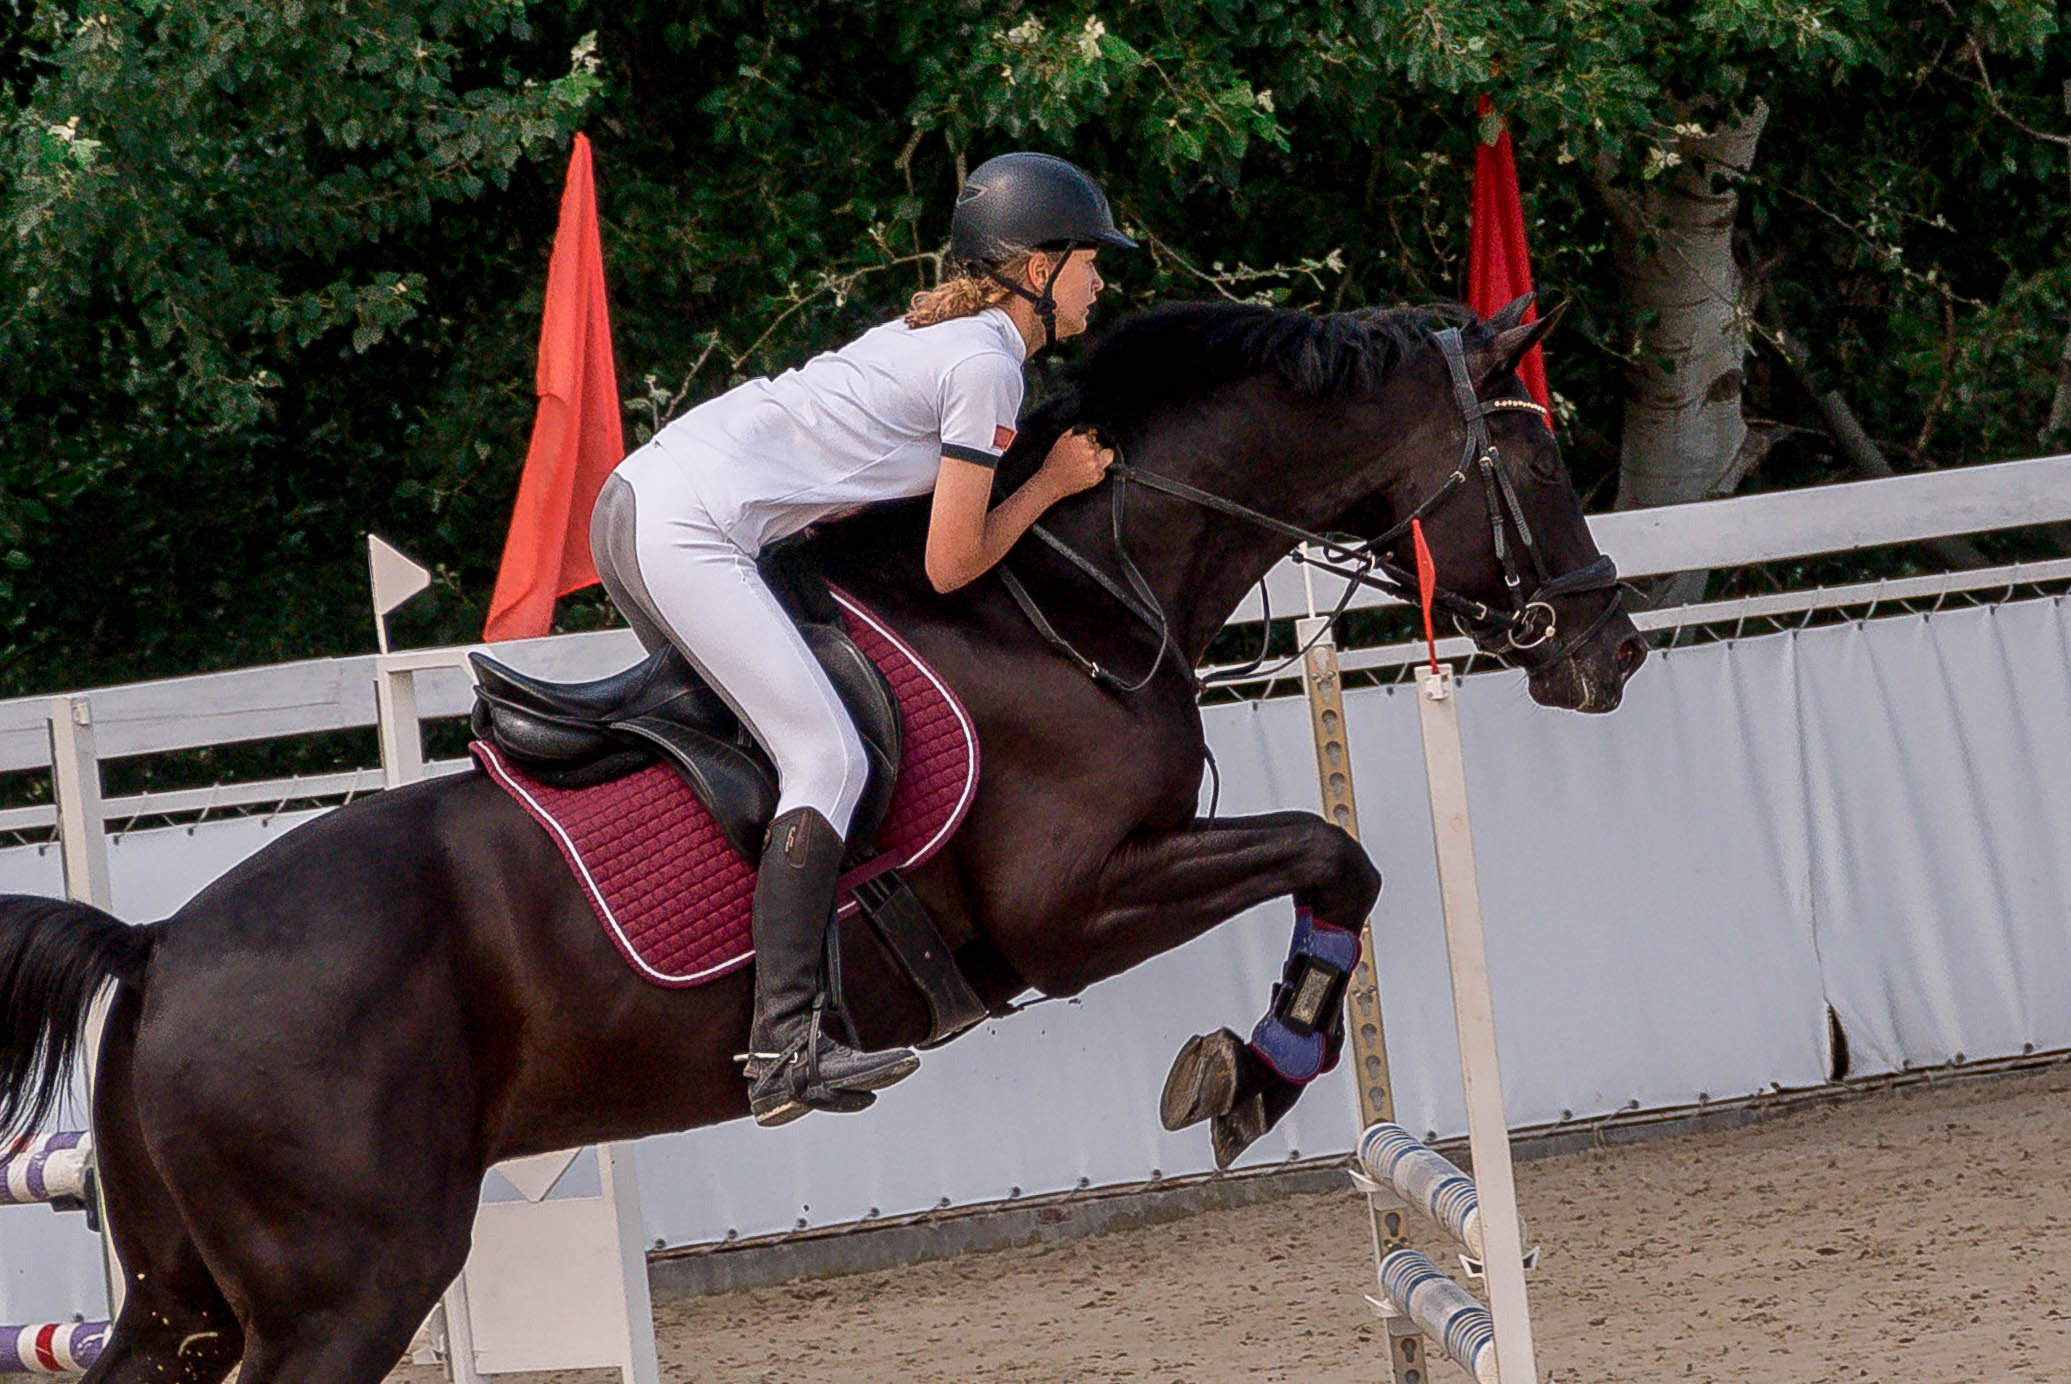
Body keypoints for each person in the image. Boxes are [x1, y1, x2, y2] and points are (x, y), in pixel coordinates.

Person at [590, 152, 1137, 1126]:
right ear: (1039, 269)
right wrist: (1052, 485)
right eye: (1091, 260)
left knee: (782, 749)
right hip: (689, 528)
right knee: (827, 757)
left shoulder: (944, 340)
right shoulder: (985, 365)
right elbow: (951, 565)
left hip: (639, 503)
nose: (1103, 278)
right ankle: (783, 1047)